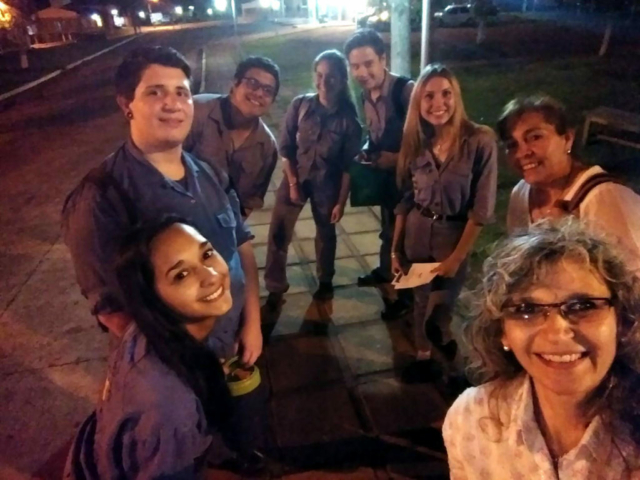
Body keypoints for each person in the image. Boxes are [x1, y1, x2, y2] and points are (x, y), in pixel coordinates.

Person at [61, 46, 265, 471]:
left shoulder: (207, 172)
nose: (173, 103)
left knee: (216, 423)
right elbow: (111, 310)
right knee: (172, 450)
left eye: (182, 92)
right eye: (155, 92)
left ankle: (223, 450)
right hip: (173, 368)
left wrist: (252, 322)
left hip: (225, 345)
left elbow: (240, 247)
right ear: (127, 104)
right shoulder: (101, 197)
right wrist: (183, 365)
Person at [443, 218, 640, 479]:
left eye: (583, 306)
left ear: (622, 321)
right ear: (503, 332)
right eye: (527, 309)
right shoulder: (471, 418)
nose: (557, 332)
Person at [64, 218, 235, 479]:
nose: (211, 275)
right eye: (181, 275)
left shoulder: (144, 331)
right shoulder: (172, 411)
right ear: (152, 296)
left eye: (207, 254)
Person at [391, 64, 497, 378]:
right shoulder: (416, 142)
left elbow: (481, 209)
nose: (438, 103)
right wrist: (395, 249)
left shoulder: (479, 141)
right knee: (419, 301)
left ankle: (451, 362)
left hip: (452, 237)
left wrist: (457, 257)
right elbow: (405, 200)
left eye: (446, 93)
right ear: (418, 103)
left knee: (442, 307)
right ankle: (423, 358)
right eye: (429, 96)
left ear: (456, 96)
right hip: (416, 232)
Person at [499, 94, 640, 275]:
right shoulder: (521, 194)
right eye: (512, 145)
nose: (522, 153)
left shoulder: (602, 197)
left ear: (567, 139)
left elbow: (632, 279)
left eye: (535, 137)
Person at [264, 50, 362, 305]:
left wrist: (340, 202)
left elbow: (348, 166)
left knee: (326, 234)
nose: (323, 82)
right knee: (278, 232)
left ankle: (325, 280)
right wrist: (293, 184)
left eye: (331, 77)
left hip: (327, 185)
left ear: (342, 80)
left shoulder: (349, 122)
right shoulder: (300, 105)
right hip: (295, 175)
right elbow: (285, 147)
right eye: (319, 75)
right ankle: (275, 286)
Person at [344, 28, 415, 320]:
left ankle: (406, 298)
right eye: (355, 66)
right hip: (388, 181)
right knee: (388, 230)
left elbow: (433, 142)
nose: (361, 72)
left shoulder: (406, 91)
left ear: (383, 59)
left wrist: (396, 159)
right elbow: (375, 133)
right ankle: (386, 272)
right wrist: (367, 150)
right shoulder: (365, 95)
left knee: (406, 240)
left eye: (368, 64)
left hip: (413, 185)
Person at [184, 56, 280, 217]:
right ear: (235, 83)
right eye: (252, 83)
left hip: (223, 223)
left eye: (267, 90)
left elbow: (249, 202)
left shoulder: (267, 147)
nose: (259, 93)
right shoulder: (197, 111)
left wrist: (234, 228)